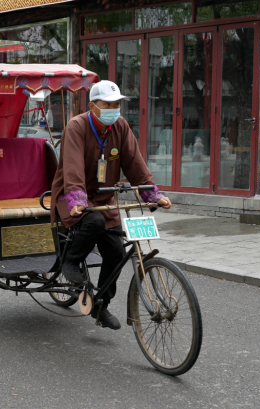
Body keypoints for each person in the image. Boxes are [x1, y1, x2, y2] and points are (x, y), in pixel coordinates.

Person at [50, 80, 172, 330]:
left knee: (116, 252)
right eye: (108, 104)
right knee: (93, 221)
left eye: (117, 104)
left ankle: (101, 304)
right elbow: (72, 168)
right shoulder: (77, 126)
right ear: (93, 106)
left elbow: (135, 165)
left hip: (105, 198)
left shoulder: (121, 126)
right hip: (71, 197)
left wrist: (152, 195)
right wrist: (77, 201)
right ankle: (70, 261)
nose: (113, 109)